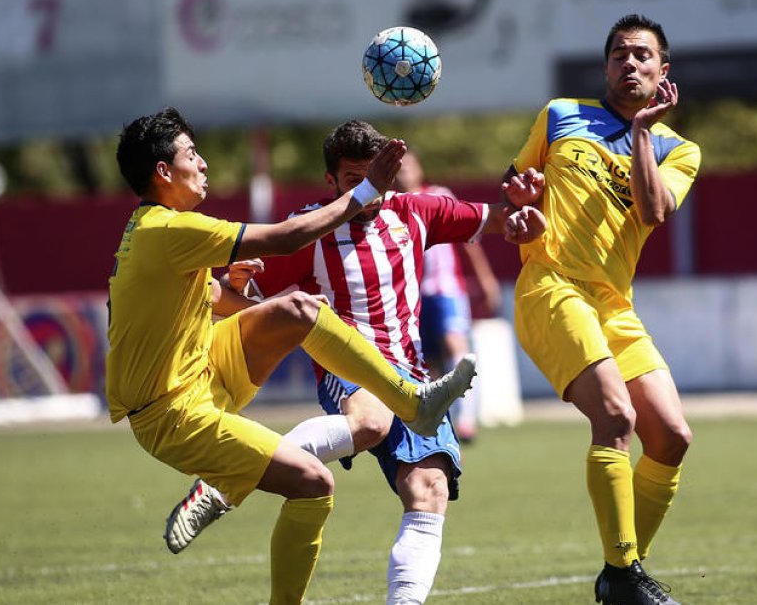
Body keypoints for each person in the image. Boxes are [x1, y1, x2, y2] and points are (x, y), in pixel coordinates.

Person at [105, 107, 476, 605]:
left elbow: (216, 302)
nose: (205, 163)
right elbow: (287, 238)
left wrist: (248, 299)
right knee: (313, 483)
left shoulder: (158, 229)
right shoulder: (169, 231)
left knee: (300, 309)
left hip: (203, 364)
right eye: (192, 153)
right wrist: (365, 191)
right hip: (174, 410)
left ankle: (414, 401)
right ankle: (231, 496)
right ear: (163, 172)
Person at [169, 120, 546, 605]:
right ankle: (226, 481)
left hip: (410, 373)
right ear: (332, 182)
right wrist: (235, 286)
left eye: (377, 177)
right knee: (370, 422)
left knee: (429, 489)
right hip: (346, 364)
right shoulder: (309, 228)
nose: (370, 192)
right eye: (355, 181)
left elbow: (499, 218)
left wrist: (521, 213)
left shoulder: (415, 211)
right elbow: (237, 295)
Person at [499, 14, 700, 605]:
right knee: (616, 417)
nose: (629, 63)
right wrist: (522, 202)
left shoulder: (677, 149)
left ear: (664, 71)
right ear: (606, 65)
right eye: (619, 54)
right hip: (551, 286)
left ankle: (621, 571)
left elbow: (653, 212)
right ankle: (625, 576)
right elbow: (516, 186)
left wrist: (640, 132)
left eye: (642, 55)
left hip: (614, 306)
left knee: (672, 437)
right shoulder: (560, 114)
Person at [393, 151, 503, 442]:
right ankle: (438, 421)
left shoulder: (439, 195)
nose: (404, 172)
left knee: (456, 344)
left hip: (446, 289)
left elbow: (469, 237)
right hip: (413, 295)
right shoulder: (391, 206)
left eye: (409, 166)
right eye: (399, 168)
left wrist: (486, 279)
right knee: (427, 360)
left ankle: (467, 420)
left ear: (419, 170)